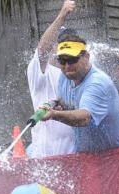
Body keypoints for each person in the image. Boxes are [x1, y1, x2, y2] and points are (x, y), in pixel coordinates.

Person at [38, 31, 119, 152]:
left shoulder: (98, 83)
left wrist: (54, 114)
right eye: (62, 61)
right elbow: (68, 103)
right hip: (87, 156)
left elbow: (84, 118)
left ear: (86, 57)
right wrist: (58, 104)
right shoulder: (64, 77)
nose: (67, 66)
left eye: (72, 60)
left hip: (115, 157)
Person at [26, 0, 76, 158]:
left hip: (76, 157)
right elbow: (42, 51)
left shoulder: (76, 75)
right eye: (61, 45)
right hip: (46, 157)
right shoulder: (40, 72)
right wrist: (62, 15)